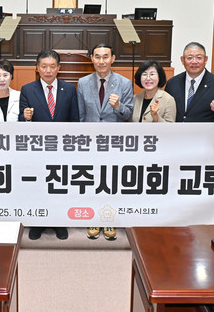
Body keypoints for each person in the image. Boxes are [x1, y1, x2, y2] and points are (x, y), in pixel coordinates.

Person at [19, 49, 79, 240]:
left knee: (59, 186)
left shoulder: (69, 89)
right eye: (44, 66)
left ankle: (58, 221)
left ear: (58, 68)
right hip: (37, 149)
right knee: (39, 187)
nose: (48, 70)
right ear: (37, 68)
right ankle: (38, 222)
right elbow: (21, 123)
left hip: (62, 149)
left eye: (52, 66)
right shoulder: (27, 89)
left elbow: (75, 120)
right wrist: (25, 117)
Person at [77, 44, 133, 240]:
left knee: (110, 181)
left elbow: (128, 114)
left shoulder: (124, 83)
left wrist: (118, 106)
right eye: (97, 57)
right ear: (92, 59)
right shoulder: (83, 83)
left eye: (105, 57)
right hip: (90, 142)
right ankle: (94, 218)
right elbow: (81, 115)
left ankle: (109, 220)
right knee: (92, 181)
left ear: (113, 58)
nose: (101, 61)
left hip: (113, 143)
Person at [164, 42, 214, 122]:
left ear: (205, 59)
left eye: (199, 58)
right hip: (177, 129)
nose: (194, 61)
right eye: (189, 58)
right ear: (182, 60)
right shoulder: (172, 83)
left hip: (205, 130)